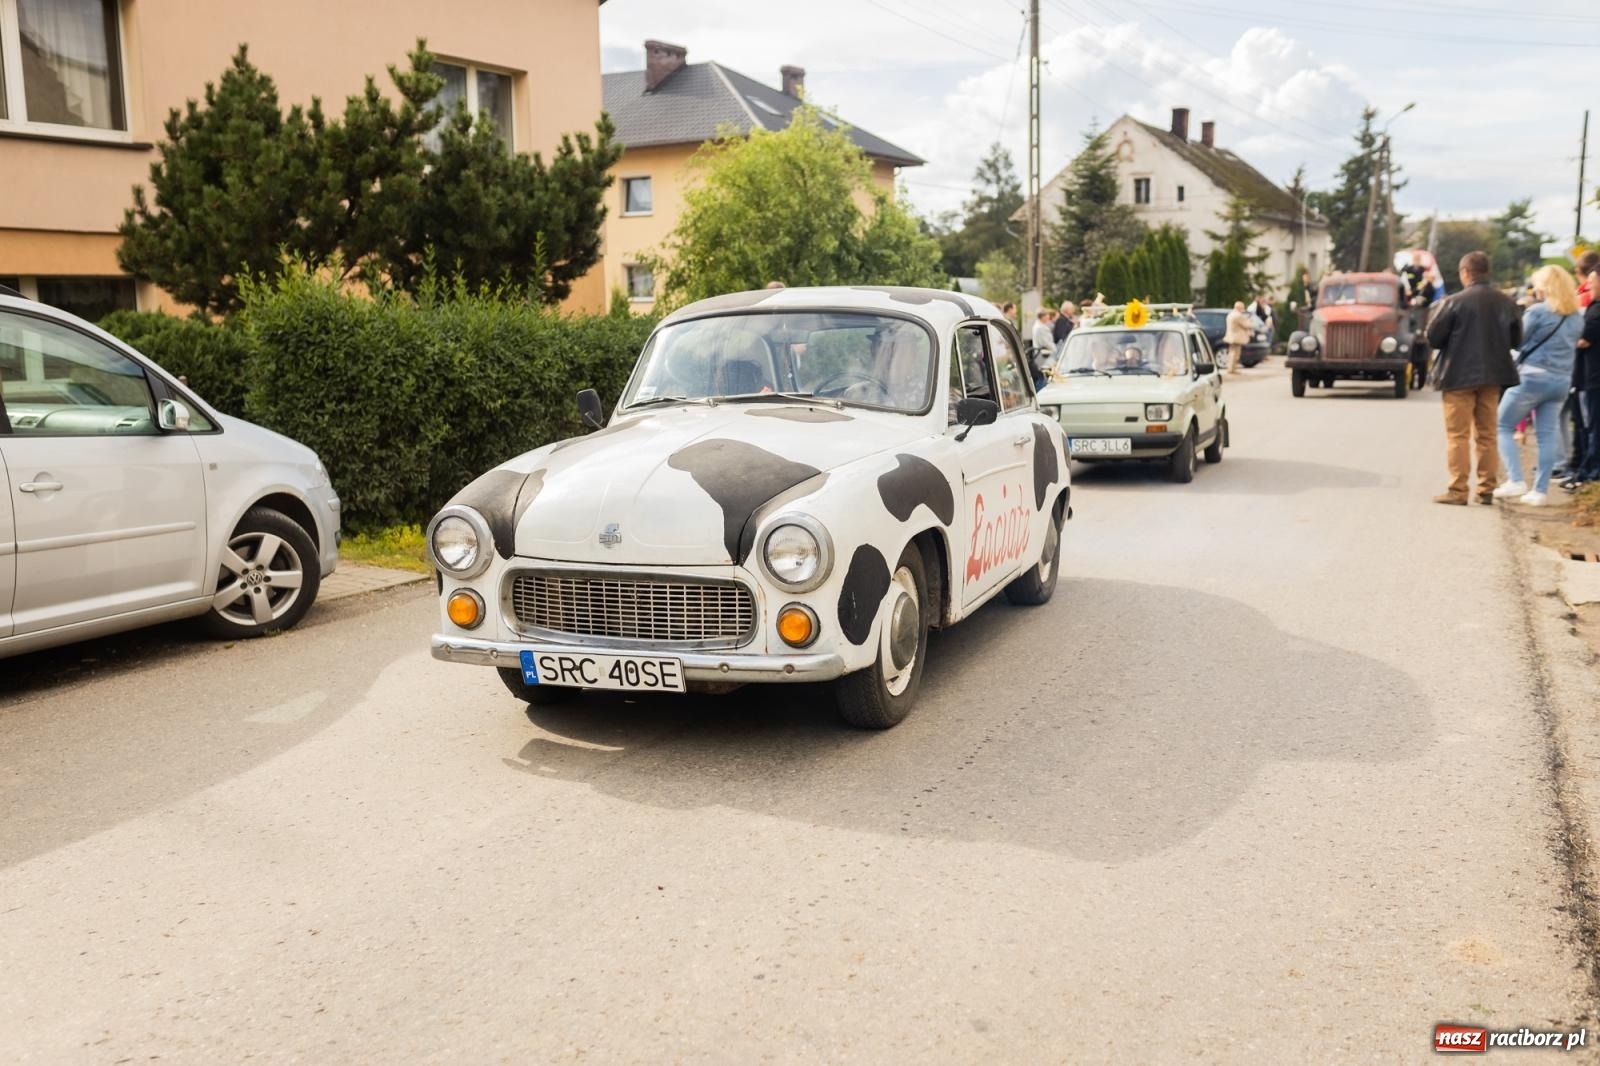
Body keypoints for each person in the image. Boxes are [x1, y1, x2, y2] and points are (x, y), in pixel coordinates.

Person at [1426, 251, 1523, 505]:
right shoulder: (1506, 302)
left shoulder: (1454, 302)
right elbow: (1516, 340)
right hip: (1492, 377)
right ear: (1486, 272)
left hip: (1458, 376)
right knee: (1487, 434)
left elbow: (1434, 337)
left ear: (1465, 272)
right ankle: (1486, 489)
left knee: (1458, 435)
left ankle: (1458, 490)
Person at [1491, 266, 1583, 505]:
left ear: (1545, 286)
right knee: (1546, 436)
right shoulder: (1576, 317)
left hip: (1532, 377)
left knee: (1501, 425)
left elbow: (1519, 342)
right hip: (1562, 381)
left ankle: (1516, 480)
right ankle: (1540, 491)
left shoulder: (1538, 312)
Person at [1565, 257, 1600, 489]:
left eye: (1593, 283)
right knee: (1587, 425)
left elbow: (1583, 340)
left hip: (1593, 377)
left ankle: (1590, 471)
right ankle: (1586, 468)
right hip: (1588, 376)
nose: (1589, 287)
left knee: (1592, 427)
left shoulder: (1596, 311)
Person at [1223, 301, 1253, 373]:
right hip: (1236, 337)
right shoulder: (1238, 315)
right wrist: (1249, 321)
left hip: (1231, 336)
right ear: (1239, 308)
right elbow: (1247, 325)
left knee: (1231, 352)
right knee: (1235, 354)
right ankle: (1232, 369)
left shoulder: (1230, 314)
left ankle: (1231, 369)